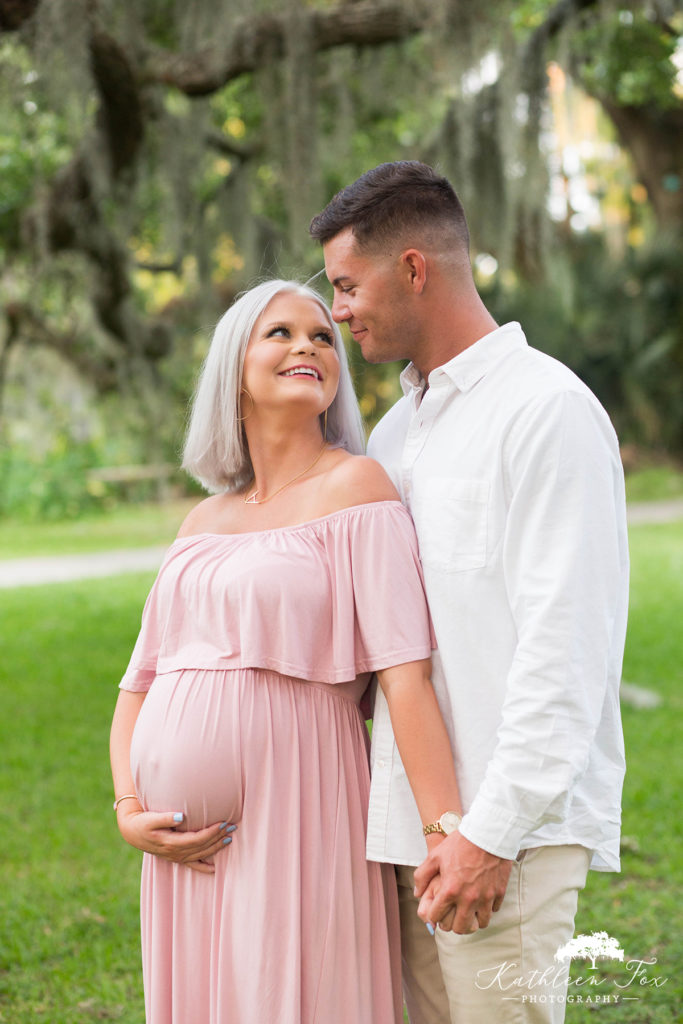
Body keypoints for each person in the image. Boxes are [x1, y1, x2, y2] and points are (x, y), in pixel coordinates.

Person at [310, 161, 629, 1024]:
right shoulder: (398, 428)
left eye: (346, 285)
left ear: (413, 267)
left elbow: (566, 648)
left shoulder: (543, 411)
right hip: (412, 828)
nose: (336, 312)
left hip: (506, 834)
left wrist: (490, 834)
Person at [109, 278, 462, 1024]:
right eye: (280, 333)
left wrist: (445, 833)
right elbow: (140, 683)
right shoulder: (204, 517)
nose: (307, 345)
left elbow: (406, 677)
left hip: (302, 804)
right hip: (179, 853)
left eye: (322, 336)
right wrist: (128, 807)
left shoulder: (357, 489)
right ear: (233, 365)